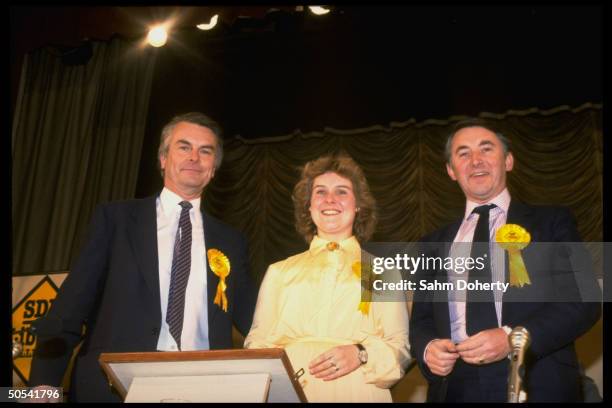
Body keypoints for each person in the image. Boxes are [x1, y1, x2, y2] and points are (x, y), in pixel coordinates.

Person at [28, 112, 257, 402]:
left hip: (201, 386)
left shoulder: (232, 241)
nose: (194, 157)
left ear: (213, 169)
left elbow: (257, 322)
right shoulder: (116, 220)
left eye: (205, 151)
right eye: (183, 147)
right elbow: (70, 308)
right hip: (114, 384)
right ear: (163, 158)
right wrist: (42, 382)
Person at [409, 118, 601, 402]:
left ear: (508, 160)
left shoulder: (553, 222)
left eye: (486, 149)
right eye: (463, 153)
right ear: (451, 170)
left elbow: (585, 298)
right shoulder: (430, 244)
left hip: (535, 380)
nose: (476, 160)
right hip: (455, 387)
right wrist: (428, 348)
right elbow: (421, 320)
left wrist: (514, 339)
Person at [244, 154, 411, 402]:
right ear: (309, 206)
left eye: (342, 191)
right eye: (320, 192)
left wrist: (361, 353)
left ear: (358, 206)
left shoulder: (380, 271)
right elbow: (257, 347)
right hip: (290, 391)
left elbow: (399, 349)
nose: (330, 199)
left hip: (358, 390)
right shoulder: (279, 271)